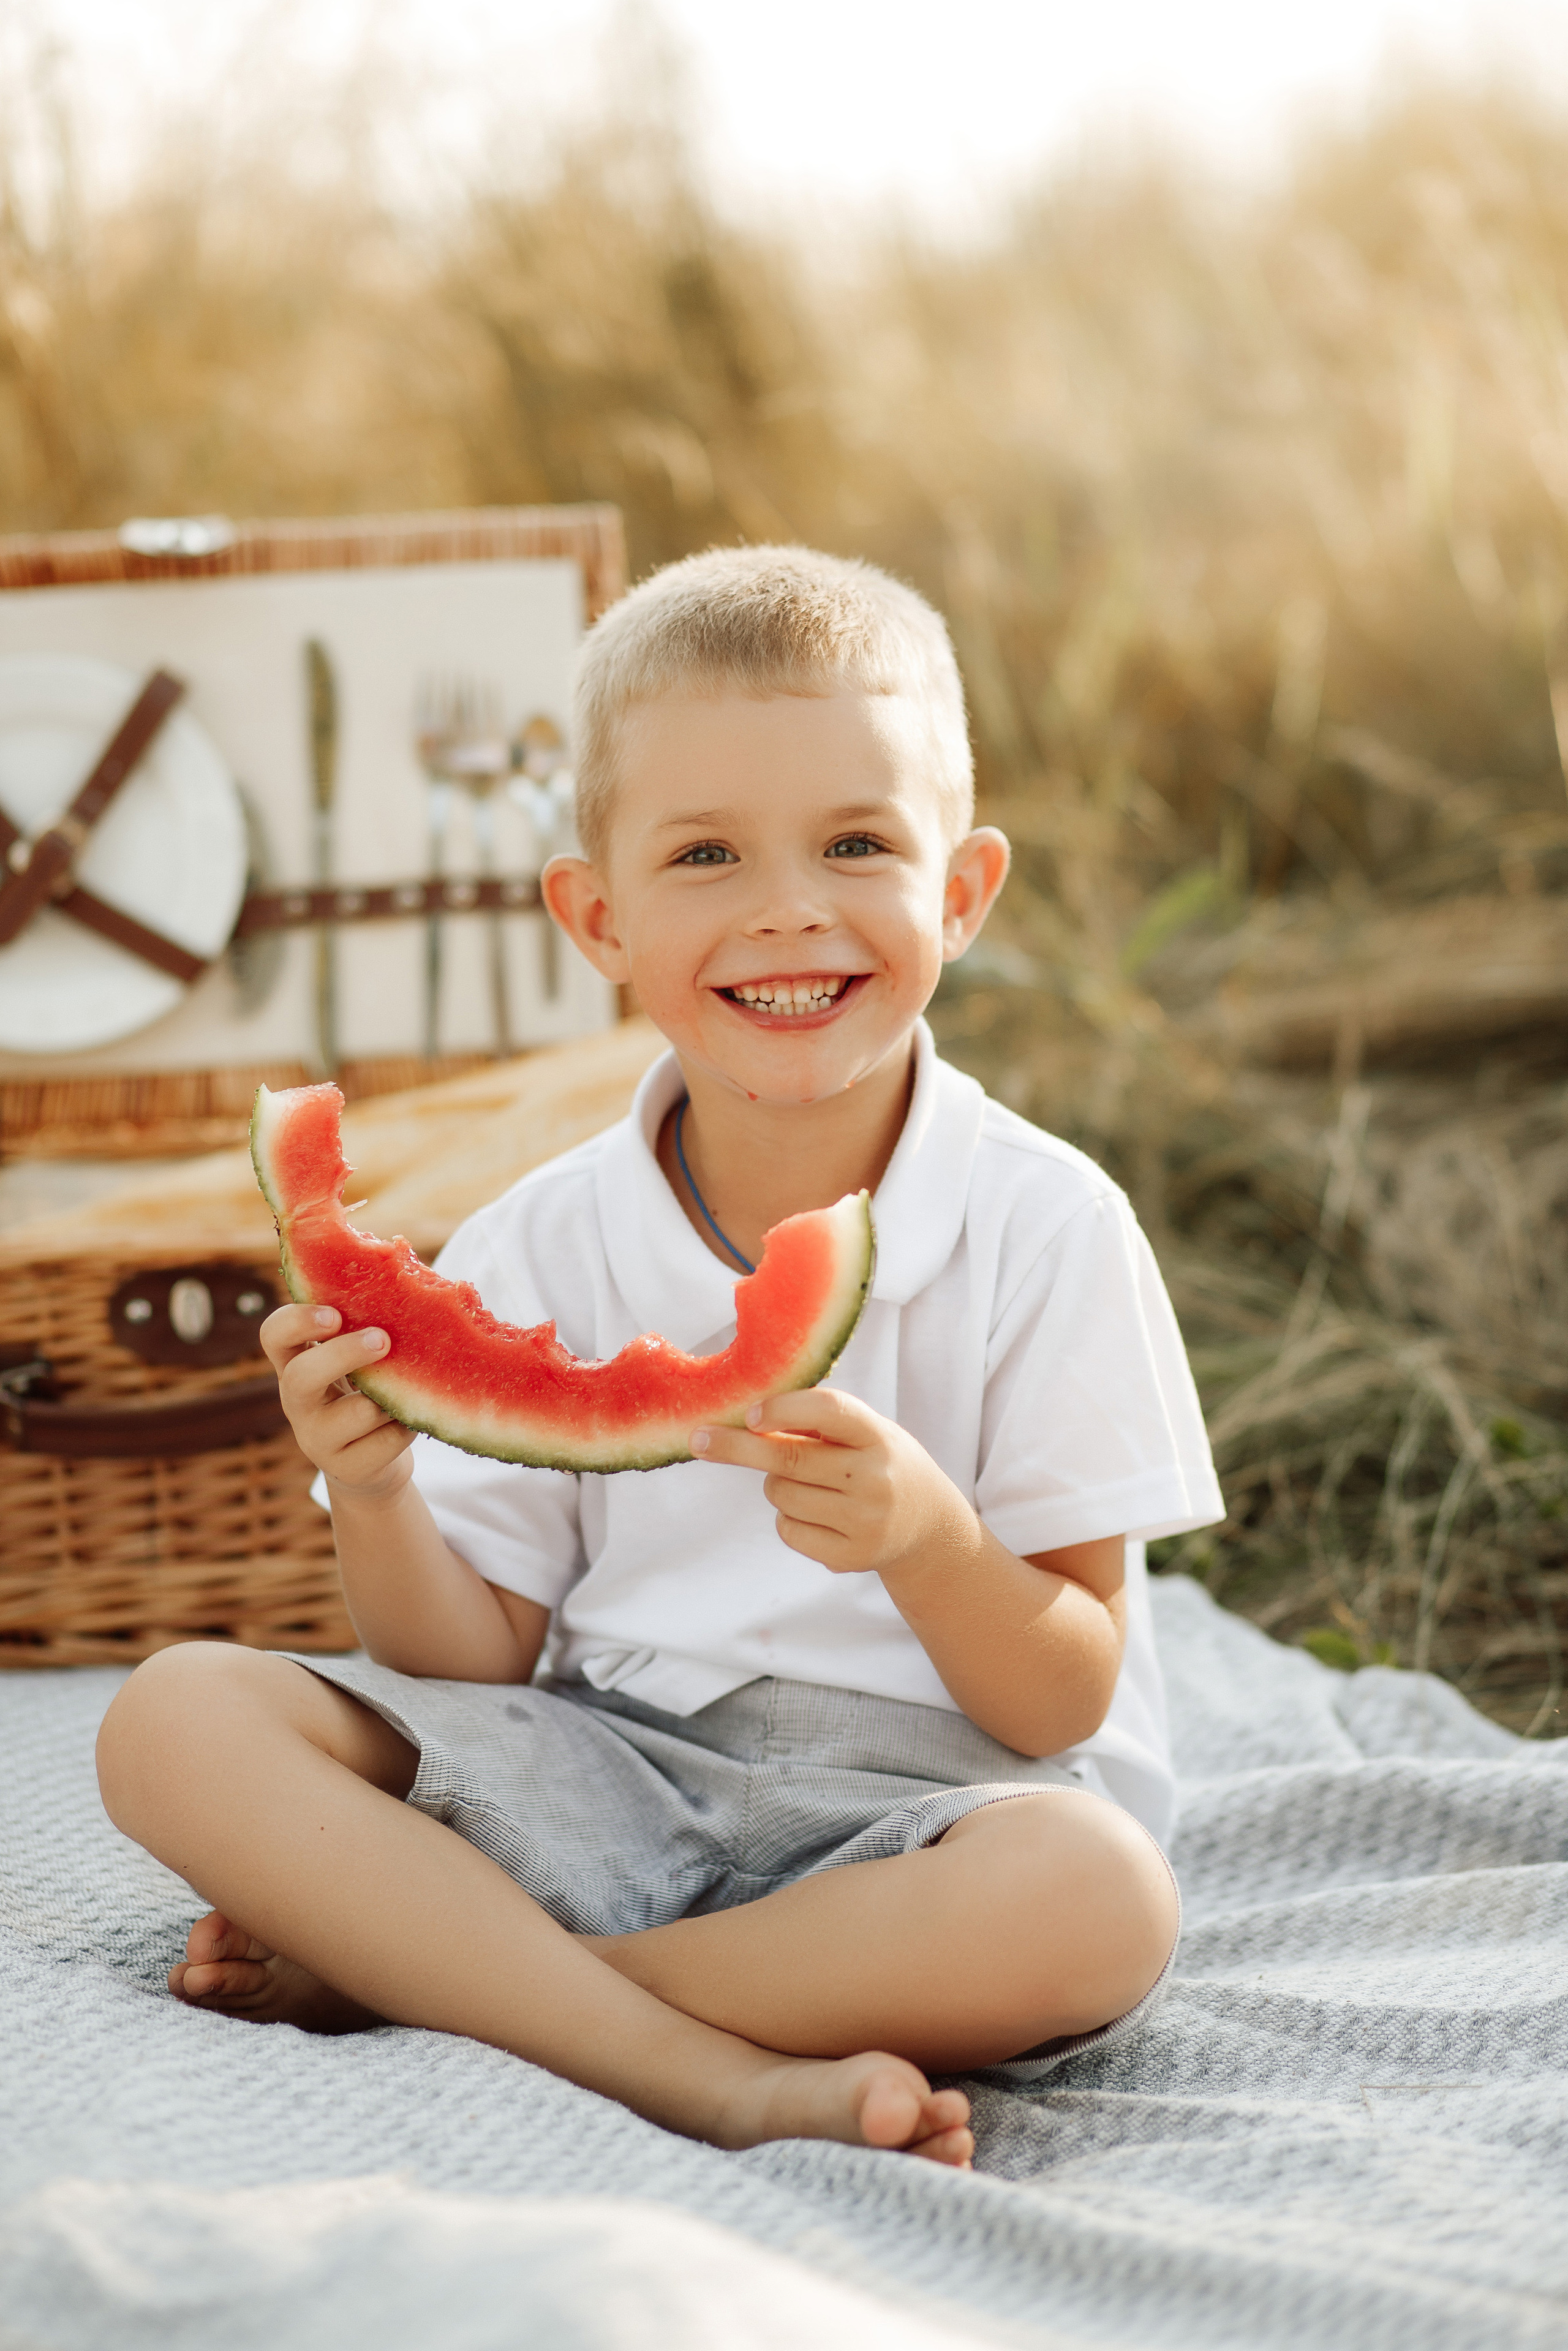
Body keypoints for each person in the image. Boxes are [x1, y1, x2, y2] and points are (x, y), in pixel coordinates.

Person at [96, 546, 1223, 2170]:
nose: (789, 907)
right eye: (707, 853)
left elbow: (1063, 1688)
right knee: (171, 1717)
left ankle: (476, 1990)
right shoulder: (538, 1239)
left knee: (1101, 1901)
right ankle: (705, 2066)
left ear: (962, 894)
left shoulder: (1049, 1226)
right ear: (597, 916)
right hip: (611, 1772)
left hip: (935, 1816)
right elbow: (466, 1667)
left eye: (857, 843)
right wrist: (379, 1494)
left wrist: (929, 1540)